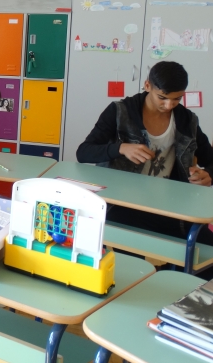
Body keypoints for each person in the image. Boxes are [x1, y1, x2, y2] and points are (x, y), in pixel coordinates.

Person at [77, 61, 213, 240]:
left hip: (170, 206)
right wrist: (121, 148)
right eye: (162, 97)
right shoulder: (119, 112)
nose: (169, 105)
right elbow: (84, 152)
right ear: (147, 85)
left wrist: (208, 174)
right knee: (128, 247)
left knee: (204, 248)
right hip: (124, 203)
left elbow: (210, 160)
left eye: (177, 99)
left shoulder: (187, 120)